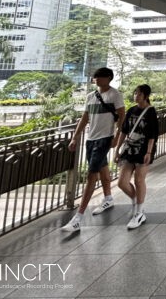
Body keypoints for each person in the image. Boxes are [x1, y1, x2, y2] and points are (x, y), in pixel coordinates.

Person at [62, 67, 125, 232]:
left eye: (99, 77)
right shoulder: (91, 96)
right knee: (103, 169)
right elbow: (84, 118)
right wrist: (75, 137)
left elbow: (122, 117)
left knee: (92, 175)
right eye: (94, 77)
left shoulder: (115, 95)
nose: (95, 79)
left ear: (108, 78)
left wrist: (117, 137)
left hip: (105, 139)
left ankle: (78, 218)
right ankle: (108, 197)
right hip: (91, 139)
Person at [114, 84, 159, 229]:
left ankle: (139, 212)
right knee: (122, 182)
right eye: (135, 93)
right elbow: (124, 131)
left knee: (139, 180)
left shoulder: (151, 112)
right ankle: (135, 199)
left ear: (145, 96)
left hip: (144, 149)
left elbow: (153, 134)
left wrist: (148, 152)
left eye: (138, 94)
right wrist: (117, 149)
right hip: (129, 150)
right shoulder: (131, 110)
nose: (135, 96)